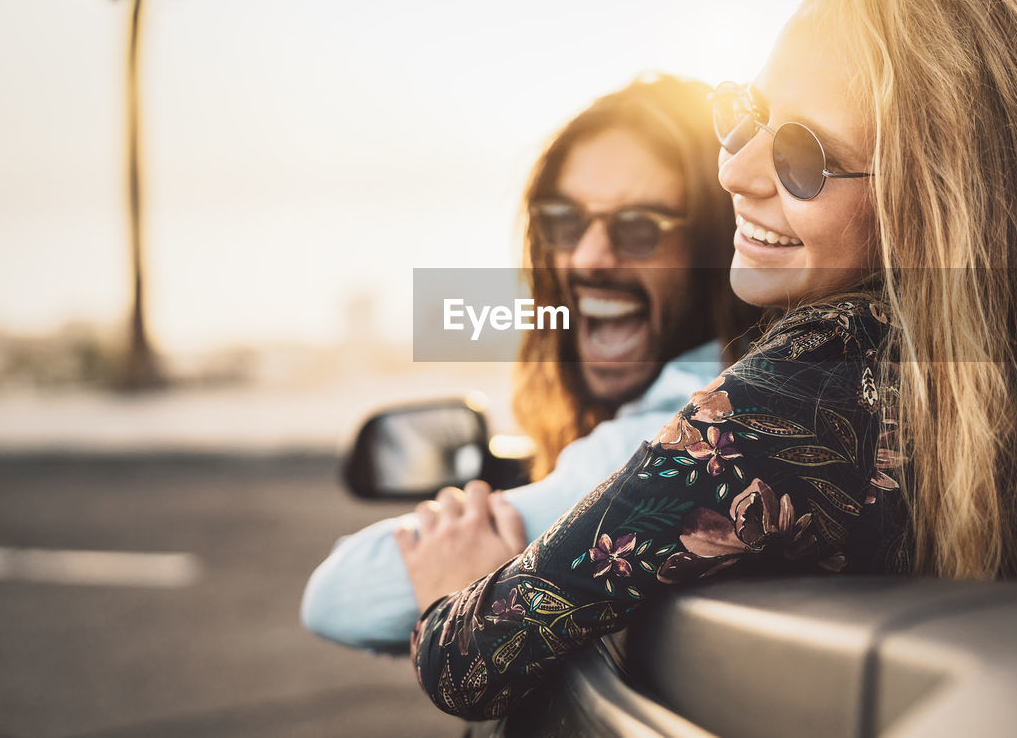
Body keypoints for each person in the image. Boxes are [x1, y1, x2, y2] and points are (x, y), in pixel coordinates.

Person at [405, 0, 1017, 720]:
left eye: (805, 155)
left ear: (940, 202)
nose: (735, 169)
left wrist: (452, 584)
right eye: (746, 112)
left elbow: (470, 659)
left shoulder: (806, 392)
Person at [300, 74, 760, 650]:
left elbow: (341, 593)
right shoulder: (732, 404)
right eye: (565, 222)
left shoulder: (666, 442)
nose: (589, 257)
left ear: (719, 249)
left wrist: (467, 590)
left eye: (641, 228)